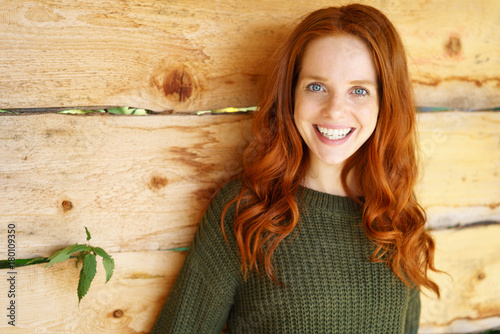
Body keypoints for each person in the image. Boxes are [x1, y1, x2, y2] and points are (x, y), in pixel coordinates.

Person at [152, 3, 441, 333]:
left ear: (385, 102)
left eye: (359, 90)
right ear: (290, 94)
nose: (335, 111)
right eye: (316, 86)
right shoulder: (247, 212)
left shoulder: (396, 213)